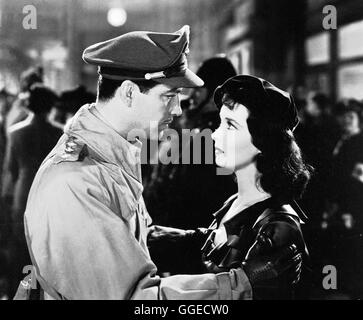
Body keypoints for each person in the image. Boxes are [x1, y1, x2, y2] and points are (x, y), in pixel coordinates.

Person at [22, 26, 301, 300]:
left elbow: (122, 236)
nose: (178, 108)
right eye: (169, 95)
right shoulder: (78, 180)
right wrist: (240, 284)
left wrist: (193, 242)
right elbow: (134, 299)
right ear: (129, 92)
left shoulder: (112, 153)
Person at [149, 75, 313, 299]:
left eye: (231, 125)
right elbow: (208, 243)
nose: (216, 134)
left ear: (263, 140)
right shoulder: (234, 203)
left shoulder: (277, 227)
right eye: (220, 122)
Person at [1, 83, 62, 295]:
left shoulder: (15, 133)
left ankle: (20, 291)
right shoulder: (58, 134)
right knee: (46, 249)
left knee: (21, 247)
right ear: (50, 106)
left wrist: (6, 201)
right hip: (49, 194)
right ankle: (41, 293)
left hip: (22, 192)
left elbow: (11, 170)